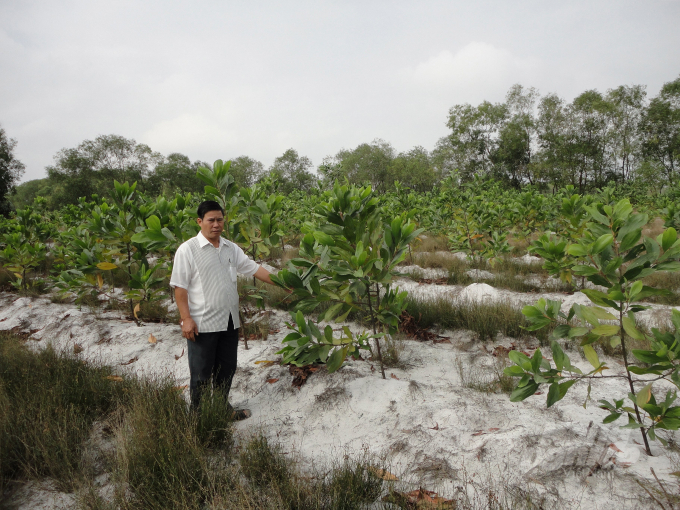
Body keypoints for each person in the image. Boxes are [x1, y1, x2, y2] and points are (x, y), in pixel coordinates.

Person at [169, 200, 275, 419]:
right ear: (200, 222)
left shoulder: (230, 248)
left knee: (226, 370)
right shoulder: (187, 250)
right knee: (201, 374)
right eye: (211, 220)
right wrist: (185, 319)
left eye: (219, 220)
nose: (216, 224)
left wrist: (285, 282)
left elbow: (254, 269)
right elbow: (180, 288)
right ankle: (197, 418)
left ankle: (221, 410)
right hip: (202, 323)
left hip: (229, 321)